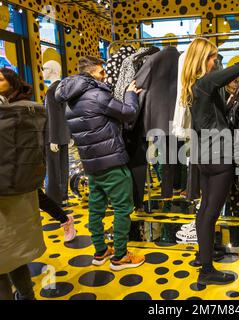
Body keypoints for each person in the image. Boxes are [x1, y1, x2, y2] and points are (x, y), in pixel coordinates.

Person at [180, 38, 239, 285]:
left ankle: (202, 254)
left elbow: (215, 117)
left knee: (205, 208)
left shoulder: (195, 87)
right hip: (218, 155)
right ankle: (206, 270)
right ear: (201, 59)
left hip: (205, 155)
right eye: (212, 57)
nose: (216, 61)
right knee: (210, 213)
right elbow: (237, 69)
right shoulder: (206, 82)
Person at [55, 56, 145, 271]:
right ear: (92, 73)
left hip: (91, 163)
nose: (105, 76)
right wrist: (130, 95)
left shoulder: (70, 100)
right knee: (123, 207)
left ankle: (100, 251)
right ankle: (120, 257)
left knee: (96, 208)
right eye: (102, 72)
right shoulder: (96, 95)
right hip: (112, 161)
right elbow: (129, 113)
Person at [0, 69, 47, 300]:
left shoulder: (10, 113)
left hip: (10, 193)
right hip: (22, 192)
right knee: (14, 256)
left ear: (12, 82)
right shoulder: (30, 110)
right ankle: (28, 296)